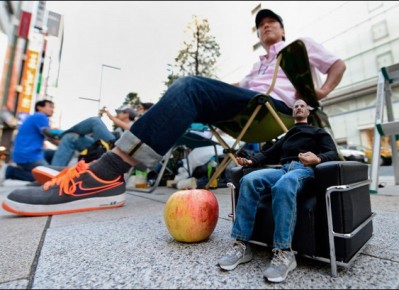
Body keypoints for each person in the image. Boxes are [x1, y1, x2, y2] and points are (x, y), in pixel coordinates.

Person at [2, 9, 346, 216]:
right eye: (262, 25)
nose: (267, 26)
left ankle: (104, 175)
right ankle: (99, 172)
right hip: (246, 105)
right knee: (188, 92)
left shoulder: (296, 46)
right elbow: (233, 89)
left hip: (275, 108)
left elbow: (337, 64)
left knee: (189, 86)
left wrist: (323, 91)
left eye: (272, 23)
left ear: (282, 29)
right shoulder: (256, 64)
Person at [217, 99, 339, 283]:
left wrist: (318, 158)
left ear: (308, 112)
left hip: (304, 170)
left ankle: (284, 253)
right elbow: (268, 153)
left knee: (284, 184)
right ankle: (242, 245)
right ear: (293, 113)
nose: (298, 107)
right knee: (249, 180)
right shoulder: (287, 136)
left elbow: (333, 153)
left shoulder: (318, 132)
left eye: (302, 105)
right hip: (282, 169)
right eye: (296, 106)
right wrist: (251, 162)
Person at [49, 106, 136, 167]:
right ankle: (54, 172)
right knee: (70, 137)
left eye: (119, 113)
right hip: (104, 148)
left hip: (116, 150)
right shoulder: (119, 130)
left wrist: (108, 114)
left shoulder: (135, 124)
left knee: (94, 121)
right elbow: (102, 134)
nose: (117, 115)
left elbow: (127, 127)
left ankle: (59, 134)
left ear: (126, 114)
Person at [0, 100, 57, 184]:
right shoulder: (40, 116)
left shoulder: (33, 117)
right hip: (29, 155)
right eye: (50, 106)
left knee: (53, 153)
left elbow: (49, 138)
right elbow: (49, 135)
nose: (52, 110)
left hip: (25, 153)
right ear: (39, 107)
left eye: (53, 107)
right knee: (47, 177)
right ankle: (10, 171)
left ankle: (49, 171)